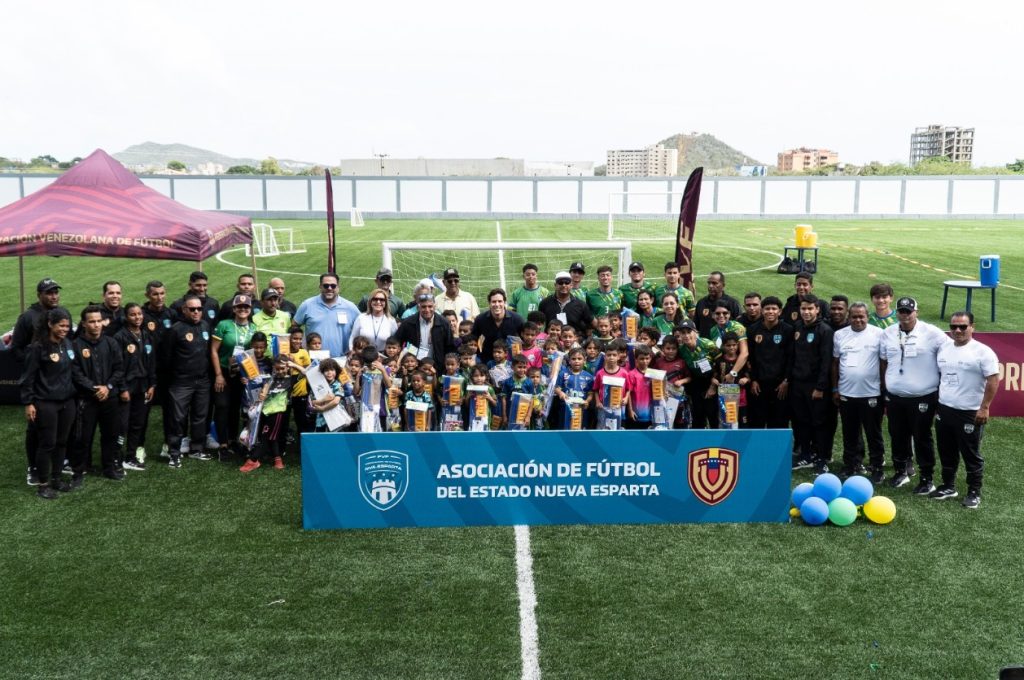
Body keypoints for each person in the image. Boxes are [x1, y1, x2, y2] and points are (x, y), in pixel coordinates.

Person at [879, 296, 949, 493]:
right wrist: (886, 385)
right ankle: (901, 471)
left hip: (923, 395)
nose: (905, 315)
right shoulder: (888, 333)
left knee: (922, 436)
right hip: (895, 395)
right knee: (897, 434)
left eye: (909, 311)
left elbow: (948, 356)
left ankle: (927, 478)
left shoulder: (932, 333)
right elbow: (884, 361)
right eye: (901, 311)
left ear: (916, 312)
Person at [933, 311, 1000, 508]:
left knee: (971, 454)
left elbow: (993, 380)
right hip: (945, 409)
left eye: (963, 326)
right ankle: (948, 486)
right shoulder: (944, 349)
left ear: (972, 327)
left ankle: (974, 492)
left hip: (969, 412)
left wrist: (984, 407)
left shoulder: (983, 352)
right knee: (946, 450)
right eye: (954, 327)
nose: (958, 330)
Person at [11, 277, 68, 486]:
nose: (53, 296)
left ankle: (54, 466)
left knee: (55, 432)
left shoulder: (60, 313)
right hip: (36, 381)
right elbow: (15, 349)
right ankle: (32, 467)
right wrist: (35, 359)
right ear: (39, 295)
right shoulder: (28, 317)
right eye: (49, 292)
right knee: (34, 427)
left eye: (55, 292)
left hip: (57, 380)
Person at [19, 308, 77, 499]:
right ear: (50, 324)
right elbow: (28, 378)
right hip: (46, 403)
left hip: (67, 401)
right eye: (61, 325)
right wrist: (29, 403)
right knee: (47, 444)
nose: (65, 329)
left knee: (62, 443)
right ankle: (43, 484)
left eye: (67, 326)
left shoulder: (68, 343)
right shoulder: (38, 347)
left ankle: (57, 479)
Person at [70, 305, 126, 482]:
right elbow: (76, 373)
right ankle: (78, 471)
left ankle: (108, 467)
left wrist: (107, 387)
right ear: (84, 324)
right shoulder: (75, 345)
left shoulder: (111, 343)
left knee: (110, 434)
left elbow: (119, 369)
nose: (96, 325)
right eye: (92, 321)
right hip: (87, 400)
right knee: (83, 437)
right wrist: (95, 388)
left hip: (109, 397)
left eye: (99, 321)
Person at [831, 302, 885, 482]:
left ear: (867, 317)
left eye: (861, 316)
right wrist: (836, 388)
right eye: (854, 316)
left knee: (873, 433)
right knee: (849, 433)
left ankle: (877, 467)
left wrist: (884, 388)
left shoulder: (878, 334)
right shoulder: (839, 335)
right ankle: (850, 465)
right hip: (847, 393)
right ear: (849, 317)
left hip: (871, 393)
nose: (858, 320)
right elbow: (835, 363)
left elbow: (884, 363)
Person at [162, 293, 213, 468]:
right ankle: (174, 453)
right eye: (192, 309)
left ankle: (197, 449)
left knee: (200, 417)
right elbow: (166, 358)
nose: (197, 312)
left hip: (203, 381)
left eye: (199, 309)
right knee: (177, 418)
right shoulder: (176, 330)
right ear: (184, 310)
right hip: (181, 382)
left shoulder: (206, 325)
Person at [788, 295, 835, 474]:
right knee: (801, 421)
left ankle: (822, 459)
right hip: (798, 384)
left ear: (817, 310)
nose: (806, 312)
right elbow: (793, 356)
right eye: (803, 309)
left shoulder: (825, 330)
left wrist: (820, 387)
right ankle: (806, 455)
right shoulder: (798, 327)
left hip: (815, 386)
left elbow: (826, 361)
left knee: (819, 423)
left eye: (810, 309)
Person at [211, 294, 256, 458]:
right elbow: (214, 350)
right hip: (224, 373)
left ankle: (232, 440)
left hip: (242, 374)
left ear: (250, 310)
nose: (243, 309)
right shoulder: (224, 325)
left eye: (246, 307)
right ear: (234, 309)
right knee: (222, 406)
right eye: (239, 307)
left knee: (236, 408)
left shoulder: (253, 328)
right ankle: (222, 445)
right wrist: (218, 375)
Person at [114, 303, 157, 471]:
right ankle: (116, 458)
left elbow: (152, 362)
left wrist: (152, 384)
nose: (137, 317)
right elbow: (117, 365)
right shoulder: (120, 337)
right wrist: (122, 388)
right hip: (127, 386)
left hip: (143, 385)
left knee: (138, 423)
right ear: (126, 317)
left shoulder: (146, 336)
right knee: (122, 425)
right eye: (133, 315)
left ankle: (130, 457)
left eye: (139, 314)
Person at [239, 355, 296, 473]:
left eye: (282, 368)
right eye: (277, 369)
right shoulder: (270, 379)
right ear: (273, 368)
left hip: (278, 414)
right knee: (271, 437)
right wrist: (260, 393)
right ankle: (278, 460)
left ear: (287, 367)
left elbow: (307, 373)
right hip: (265, 412)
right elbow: (260, 386)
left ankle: (253, 461)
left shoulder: (290, 379)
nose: (280, 371)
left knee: (266, 438)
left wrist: (293, 365)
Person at [141, 280, 177, 458]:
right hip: (147, 373)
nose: (159, 297)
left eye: (162, 293)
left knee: (169, 411)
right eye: (155, 294)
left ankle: (167, 445)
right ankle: (138, 448)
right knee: (142, 412)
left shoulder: (172, 314)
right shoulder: (140, 315)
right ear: (147, 295)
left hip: (168, 372)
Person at [746, 296, 793, 429]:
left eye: (774, 309)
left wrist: (786, 380)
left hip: (780, 386)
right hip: (759, 384)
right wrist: (754, 379)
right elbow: (751, 358)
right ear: (762, 311)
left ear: (780, 311)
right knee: (757, 421)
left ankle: (777, 450)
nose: (770, 311)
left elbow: (791, 358)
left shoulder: (788, 330)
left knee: (778, 421)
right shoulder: (753, 330)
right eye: (767, 309)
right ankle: (757, 448)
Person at [293, 272, 361, 357]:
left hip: (342, 358)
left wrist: (355, 349)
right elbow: (294, 327)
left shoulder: (350, 307)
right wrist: (300, 347)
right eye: (326, 285)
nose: (329, 288)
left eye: (333, 286)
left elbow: (362, 328)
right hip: (315, 359)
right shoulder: (307, 305)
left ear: (338, 287)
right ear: (320, 286)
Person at [677, 319, 722, 429]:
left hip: (711, 379)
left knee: (712, 414)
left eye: (689, 332)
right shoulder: (682, 350)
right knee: (698, 414)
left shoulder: (708, 345)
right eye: (683, 333)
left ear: (695, 332)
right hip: (695, 382)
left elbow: (721, 364)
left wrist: (713, 385)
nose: (686, 335)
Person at [394, 292, 456, 363]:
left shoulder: (444, 323)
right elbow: (397, 342)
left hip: (437, 366)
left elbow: (450, 347)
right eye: (423, 307)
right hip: (415, 366)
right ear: (418, 307)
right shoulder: (408, 323)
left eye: (430, 306)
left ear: (435, 306)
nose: (427, 310)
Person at [471, 288, 526, 363]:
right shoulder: (480, 320)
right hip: (487, 361)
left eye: (500, 301)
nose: (497, 304)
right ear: (489, 303)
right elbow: (474, 339)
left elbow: (525, 340)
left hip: (511, 363)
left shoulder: (517, 320)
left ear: (504, 302)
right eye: (494, 302)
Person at [539, 271, 594, 336]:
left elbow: (591, 323)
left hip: (574, 343)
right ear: (555, 285)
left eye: (567, 282)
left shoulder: (581, 304)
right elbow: (538, 324)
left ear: (571, 285)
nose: (564, 285)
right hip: (552, 343)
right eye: (560, 282)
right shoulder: (545, 303)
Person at [350, 288, 398, 352]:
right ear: (370, 301)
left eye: (382, 300)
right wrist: (352, 351)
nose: (378, 302)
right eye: (375, 299)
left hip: (382, 358)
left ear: (385, 302)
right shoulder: (361, 318)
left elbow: (394, 341)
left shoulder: (391, 320)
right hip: (363, 355)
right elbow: (353, 338)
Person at [695, 271, 740, 337]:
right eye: (709, 283)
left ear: (723, 285)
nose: (710, 286)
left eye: (714, 283)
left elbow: (739, 326)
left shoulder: (732, 303)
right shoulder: (701, 303)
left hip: (725, 345)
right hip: (706, 345)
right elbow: (696, 326)